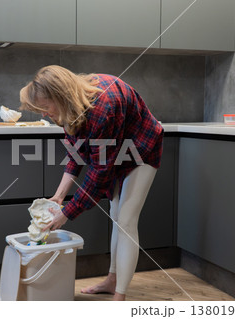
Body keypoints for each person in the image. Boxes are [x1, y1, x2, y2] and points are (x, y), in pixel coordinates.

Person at [19, 65, 164, 301]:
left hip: (142, 147)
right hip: (117, 150)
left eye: (45, 108)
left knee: (126, 220)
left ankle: (120, 297)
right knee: (115, 213)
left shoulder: (104, 106)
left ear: (60, 95)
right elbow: (77, 154)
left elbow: (99, 174)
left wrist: (66, 213)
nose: (43, 114)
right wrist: (59, 197)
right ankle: (112, 280)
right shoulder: (68, 110)